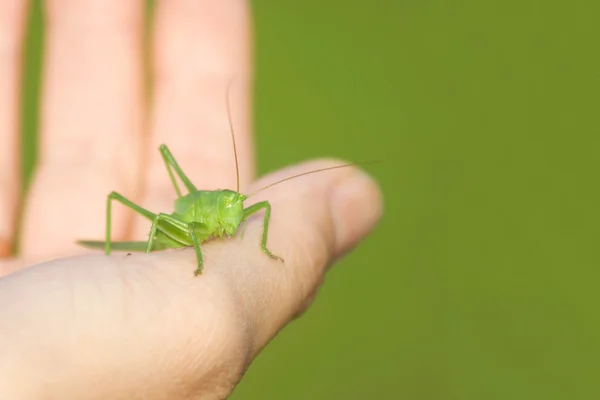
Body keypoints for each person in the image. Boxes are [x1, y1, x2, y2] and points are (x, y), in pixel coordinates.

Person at [0, 1, 381, 398]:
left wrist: (264, 246)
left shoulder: (241, 207)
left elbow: (263, 207)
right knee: (118, 196)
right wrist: (197, 259)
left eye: (236, 207)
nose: (236, 214)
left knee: (261, 203)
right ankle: (110, 248)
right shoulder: (195, 224)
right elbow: (192, 228)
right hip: (177, 228)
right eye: (231, 209)